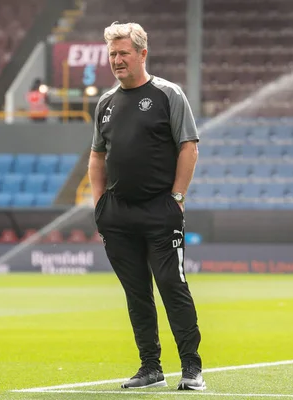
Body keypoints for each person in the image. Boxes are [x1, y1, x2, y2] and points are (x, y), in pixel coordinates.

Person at [88, 22, 205, 391]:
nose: (117, 60)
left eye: (123, 53)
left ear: (142, 54)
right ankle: (150, 367)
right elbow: (96, 157)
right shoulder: (105, 104)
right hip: (118, 215)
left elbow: (189, 146)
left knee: (172, 284)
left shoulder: (168, 95)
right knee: (136, 292)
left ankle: (192, 368)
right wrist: (99, 206)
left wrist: (178, 198)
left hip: (160, 210)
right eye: (112, 54)